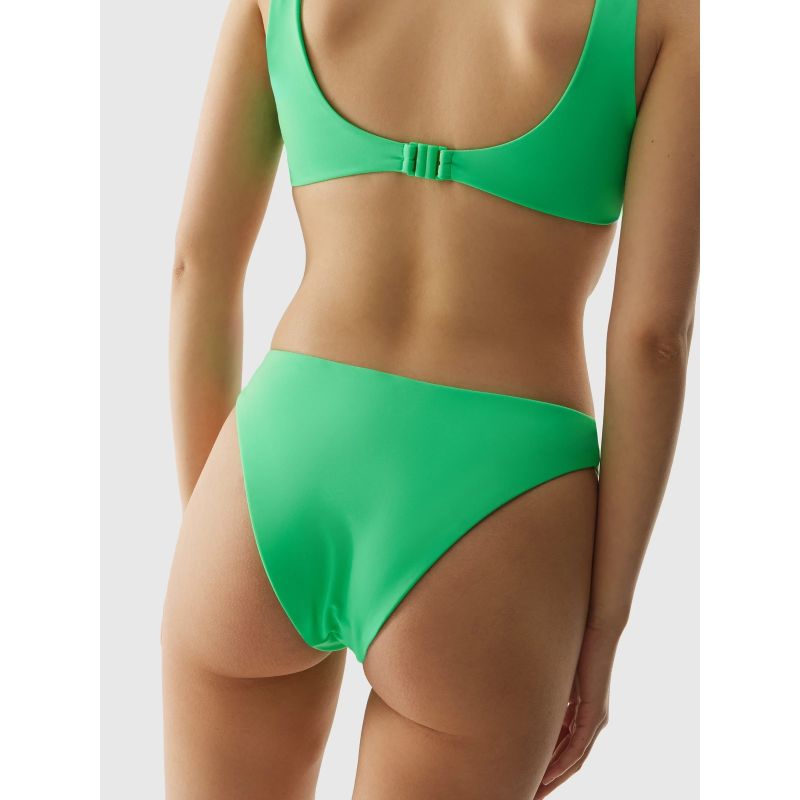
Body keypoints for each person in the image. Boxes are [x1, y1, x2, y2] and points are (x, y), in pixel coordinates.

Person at [161, 0, 699, 797]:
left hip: (274, 467)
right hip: (496, 506)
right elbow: (654, 340)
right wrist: (604, 626)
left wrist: (215, 541)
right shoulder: (668, 16)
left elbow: (196, 267)